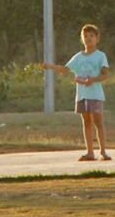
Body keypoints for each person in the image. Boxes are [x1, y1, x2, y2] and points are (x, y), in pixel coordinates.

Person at [42, 24, 111, 161]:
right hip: (82, 95)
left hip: (95, 94)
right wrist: (50, 66)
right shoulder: (78, 57)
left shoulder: (100, 56)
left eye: (91, 36)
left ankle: (103, 151)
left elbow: (105, 75)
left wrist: (92, 80)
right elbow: (65, 69)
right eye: (85, 36)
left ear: (97, 38)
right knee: (86, 122)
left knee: (98, 122)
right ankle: (90, 152)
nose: (88, 38)